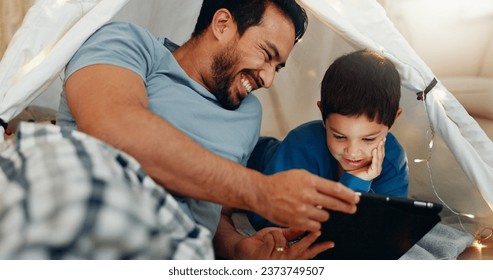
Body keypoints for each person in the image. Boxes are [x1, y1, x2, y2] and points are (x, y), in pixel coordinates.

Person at [56, 0, 359, 257]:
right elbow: (112, 127)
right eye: (267, 55)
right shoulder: (128, 43)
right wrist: (260, 191)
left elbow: (214, 210)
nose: (268, 80)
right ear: (223, 24)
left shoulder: (247, 113)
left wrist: (239, 249)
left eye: (277, 68)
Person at [243, 49, 410, 232]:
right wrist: (352, 186)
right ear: (323, 115)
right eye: (339, 136)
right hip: (247, 158)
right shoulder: (302, 145)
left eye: (369, 139)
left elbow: (384, 228)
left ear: (393, 119)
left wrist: (357, 182)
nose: (352, 152)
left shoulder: (393, 161)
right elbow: (264, 219)